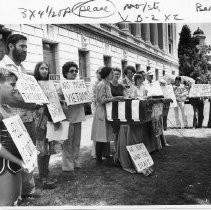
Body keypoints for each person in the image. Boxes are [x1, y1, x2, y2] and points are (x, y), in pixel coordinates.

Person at [0, 34, 39, 199]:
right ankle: (14, 195)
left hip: (29, 118)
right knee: (14, 158)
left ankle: (27, 190)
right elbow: (10, 97)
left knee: (28, 154)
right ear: (10, 46)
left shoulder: (23, 70)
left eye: (26, 47)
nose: (25, 50)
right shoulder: (3, 67)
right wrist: (33, 103)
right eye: (22, 46)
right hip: (12, 122)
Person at [0, 71, 30, 206]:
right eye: (12, 84)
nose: (15, 88)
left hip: (12, 165)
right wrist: (20, 161)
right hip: (4, 166)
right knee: (5, 204)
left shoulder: (5, 107)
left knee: (13, 202)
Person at [91, 67, 124, 166]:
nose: (113, 75)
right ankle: (98, 159)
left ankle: (104, 155)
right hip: (101, 111)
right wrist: (116, 98)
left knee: (106, 134)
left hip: (107, 110)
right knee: (100, 136)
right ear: (106, 74)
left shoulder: (107, 84)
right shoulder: (102, 84)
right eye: (111, 73)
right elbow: (101, 100)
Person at [34, 61, 56, 189]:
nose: (44, 71)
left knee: (48, 148)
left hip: (50, 119)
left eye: (46, 69)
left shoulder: (50, 84)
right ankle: (43, 177)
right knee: (41, 149)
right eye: (42, 68)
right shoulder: (33, 84)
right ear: (37, 70)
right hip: (39, 121)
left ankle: (46, 173)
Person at [61, 62, 86, 172]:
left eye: (76, 71)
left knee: (76, 141)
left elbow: (85, 98)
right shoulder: (62, 86)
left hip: (78, 115)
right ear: (66, 73)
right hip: (68, 116)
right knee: (67, 142)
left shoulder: (80, 84)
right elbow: (58, 101)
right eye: (72, 71)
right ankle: (67, 164)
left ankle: (75, 160)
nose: (74, 73)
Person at [90, 67, 103, 159]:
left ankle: (103, 152)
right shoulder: (94, 82)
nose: (101, 75)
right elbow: (92, 97)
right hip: (96, 108)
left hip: (102, 108)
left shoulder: (103, 82)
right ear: (97, 73)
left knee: (103, 130)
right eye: (100, 73)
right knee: (97, 130)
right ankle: (95, 152)